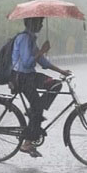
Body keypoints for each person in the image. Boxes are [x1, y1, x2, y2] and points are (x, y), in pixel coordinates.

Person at [11, 17, 71, 157]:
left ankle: (35, 112)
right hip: (22, 78)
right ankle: (27, 143)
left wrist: (61, 71)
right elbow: (26, 63)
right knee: (38, 108)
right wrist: (42, 50)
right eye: (40, 22)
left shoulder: (31, 39)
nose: (42, 25)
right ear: (32, 23)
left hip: (30, 76)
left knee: (55, 84)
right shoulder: (24, 39)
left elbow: (43, 62)